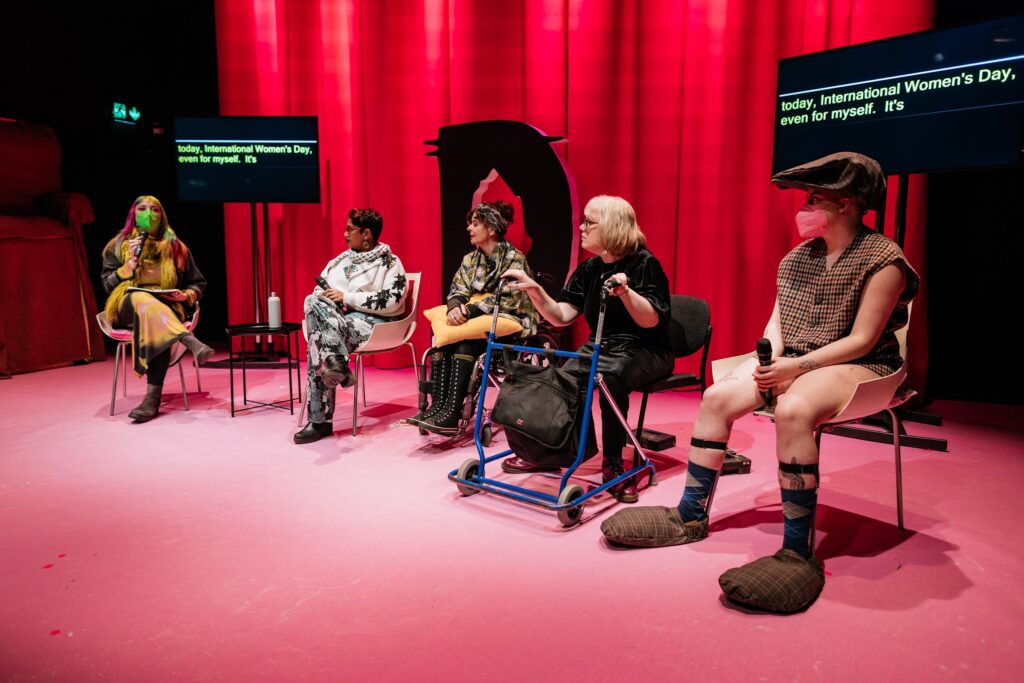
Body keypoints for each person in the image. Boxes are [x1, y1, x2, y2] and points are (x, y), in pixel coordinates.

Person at [600, 152, 920, 613]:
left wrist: (796, 369)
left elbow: (862, 339)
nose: (804, 209)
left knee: (794, 409)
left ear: (847, 204)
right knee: (716, 396)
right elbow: (777, 326)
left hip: (866, 364)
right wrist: (770, 361)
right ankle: (690, 514)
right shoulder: (795, 261)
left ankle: (796, 550)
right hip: (798, 360)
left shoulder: (883, 259)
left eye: (815, 199)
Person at [501, 195, 673, 503]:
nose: (581, 228)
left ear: (611, 227)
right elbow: (562, 315)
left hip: (646, 348)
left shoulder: (645, 264)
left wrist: (625, 292)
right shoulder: (590, 268)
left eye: (588, 223)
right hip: (601, 346)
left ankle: (614, 464)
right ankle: (551, 451)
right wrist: (534, 289)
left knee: (609, 377)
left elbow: (650, 321)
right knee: (558, 379)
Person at [405, 203, 538, 435]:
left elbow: (510, 297)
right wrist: (455, 307)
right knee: (444, 342)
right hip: (476, 316)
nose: (469, 228)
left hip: (510, 318)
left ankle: (453, 413)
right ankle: (438, 408)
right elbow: (457, 289)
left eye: (475, 224)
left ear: (492, 230)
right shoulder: (470, 260)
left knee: (466, 343)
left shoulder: (514, 258)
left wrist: (469, 311)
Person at [294, 208, 408, 444]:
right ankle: (338, 364)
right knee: (312, 304)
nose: (344, 233)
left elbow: (393, 300)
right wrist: (331, 303)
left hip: (374, 323)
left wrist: (346, 298)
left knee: (320, 341)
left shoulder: (390, 262)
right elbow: (318, 294)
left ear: (366, 233)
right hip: (337, 321)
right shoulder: (339, 261)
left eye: (350, 229)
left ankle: (319, 421)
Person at [100, 195, 213, 422]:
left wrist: (186, 294)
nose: (148, 214)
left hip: (166, 308)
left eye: (155, 209)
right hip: (126, 306)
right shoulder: (118, 245)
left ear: (162, 216)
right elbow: (107, 284)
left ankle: (151, 399)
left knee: (155, 320)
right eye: (142, 209)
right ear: (133, 214)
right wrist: (128, 265)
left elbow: (197, 283)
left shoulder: (177, 248)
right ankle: (188, 340)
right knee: (141, 298)